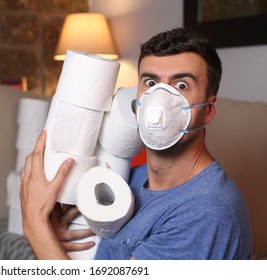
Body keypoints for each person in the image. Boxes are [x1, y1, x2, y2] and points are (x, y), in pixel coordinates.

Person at [20, 28, 252, 260]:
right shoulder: (133, 178)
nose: (159, 100)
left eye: (181, 86)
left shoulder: (205, 212)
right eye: (151, 82)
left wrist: (35, 225)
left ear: (208, 110)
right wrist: (54, 235)